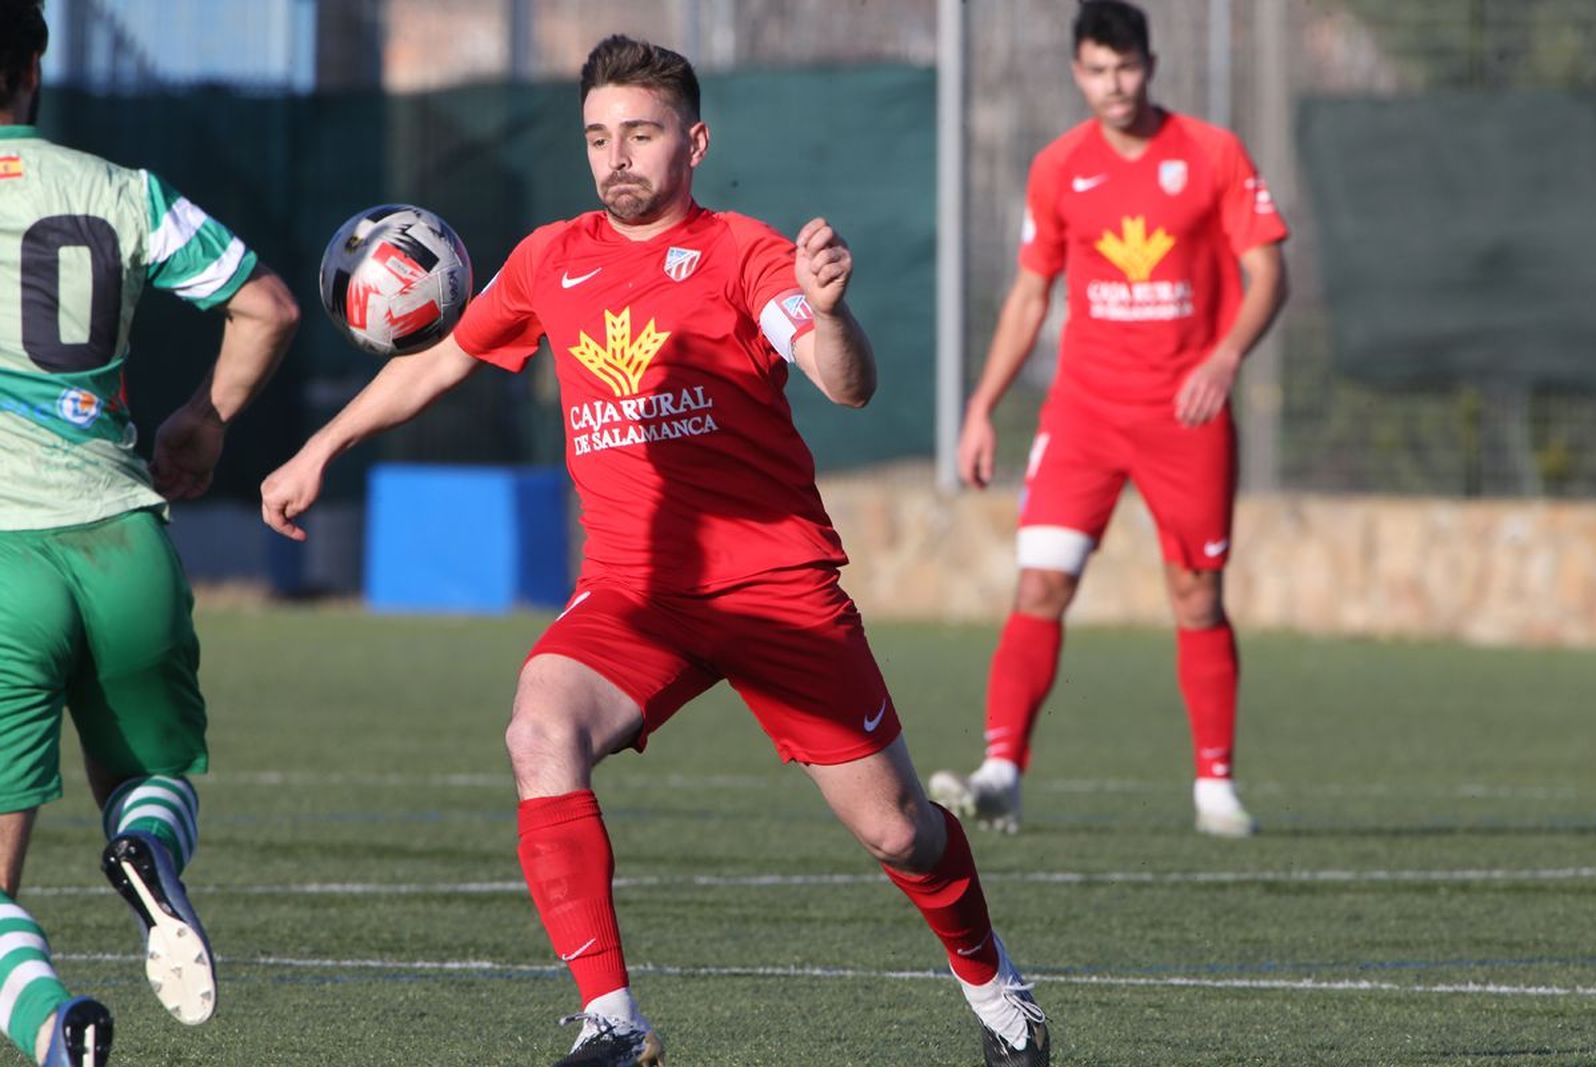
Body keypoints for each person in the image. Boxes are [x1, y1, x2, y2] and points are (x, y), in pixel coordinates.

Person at [262, 33, 1050, 1067]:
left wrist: (831, 313)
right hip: (633, 593)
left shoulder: (744, 253)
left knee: (898, 827)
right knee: (539, 731)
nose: (617, 156)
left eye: (640, 133)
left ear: (694, 142)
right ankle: (614, 1020)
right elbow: (443, 358)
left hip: (771, 584)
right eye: (599, 136)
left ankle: (995, 984)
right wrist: (321, 446)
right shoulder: (550, 258)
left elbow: (843, 380)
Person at [0, 3, 301, 1063]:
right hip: (125, 545)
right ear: (32, 67)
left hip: (3, 570)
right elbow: (267, 306)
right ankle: (144, 847)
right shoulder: (124, 190)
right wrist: (205, 420)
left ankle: (55, 1028)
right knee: (148, 779)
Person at [928, 0, 1289, 838]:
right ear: (1077, 73)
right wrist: (981, 405)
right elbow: (1030, 294)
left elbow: (1268, 272)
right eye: (1097, 70)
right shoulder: (1059, 167)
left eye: (1126, 68)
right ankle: (1001, 771)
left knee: (1196, 593)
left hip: (1187, 415)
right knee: (1040, 582)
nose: (1114, 84)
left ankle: (1215, 785)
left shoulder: (1211, 154)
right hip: (1083, 415)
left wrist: (1226, 356)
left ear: (1150, 67)